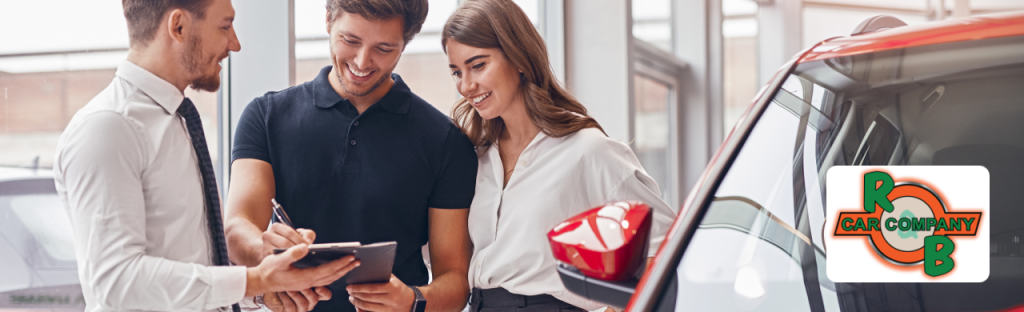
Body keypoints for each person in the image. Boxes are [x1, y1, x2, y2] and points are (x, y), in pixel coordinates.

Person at [53, 0, 360, 311]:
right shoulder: (108, 127)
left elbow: (184, 265)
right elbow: (116, 283)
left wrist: (261, 292)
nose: (235, 44)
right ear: (179, 26)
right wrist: (256, 280)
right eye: (224, 26)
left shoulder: (174, 121)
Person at [224, 0, 477, 312]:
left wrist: (411, 300)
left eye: (383, 48)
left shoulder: (445, 141)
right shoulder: (265, 117)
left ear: (406, 43)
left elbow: (455, 279)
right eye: (350, 40)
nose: (362, 61)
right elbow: (237, 226)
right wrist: (264, 252)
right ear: (328, 21)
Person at [441, 0, 677, 311]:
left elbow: (665, 247)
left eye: (478, 65)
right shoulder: (477, 158)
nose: (466, 85)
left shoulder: (587, 151)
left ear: (519, 58)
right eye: (456, 72)